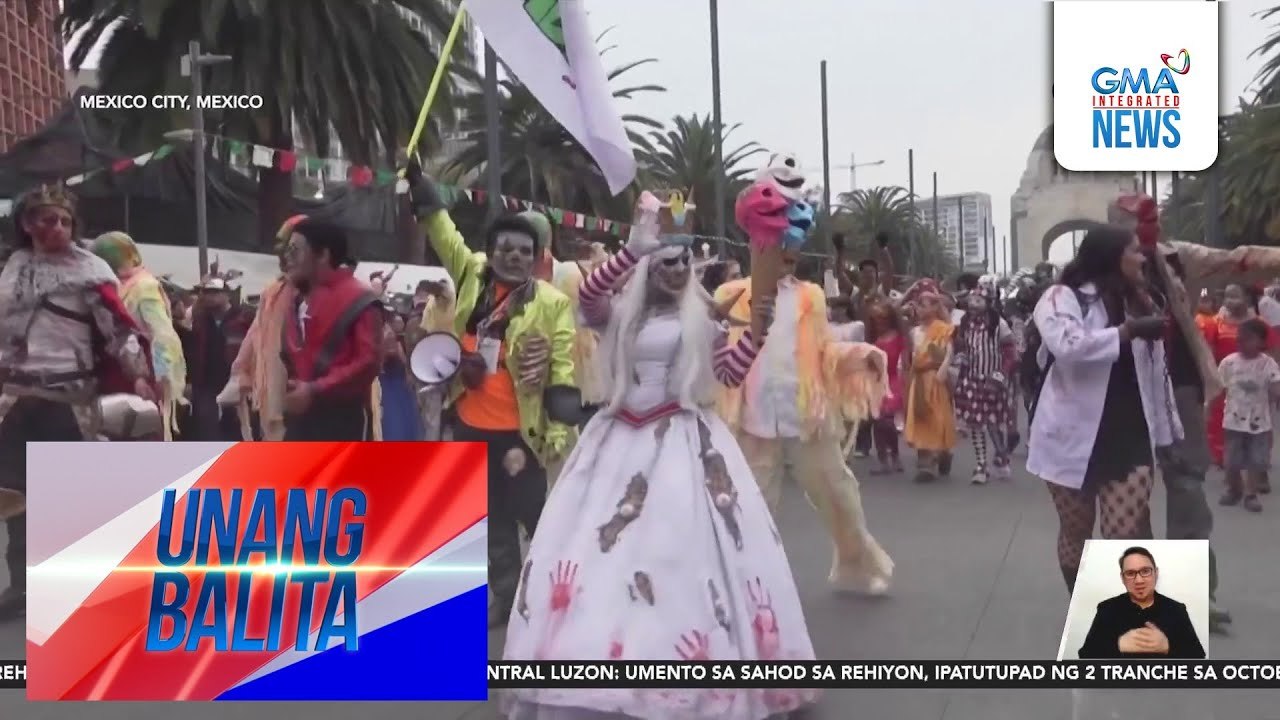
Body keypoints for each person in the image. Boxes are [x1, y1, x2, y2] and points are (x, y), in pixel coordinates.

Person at [500, 195, 819, 720]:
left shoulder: (704, 320)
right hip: (615, 440)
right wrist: (632, 250)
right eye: (666, 261)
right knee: (600, 559)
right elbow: (590, 297)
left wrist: (757, 335)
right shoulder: (618, 315)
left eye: (683, 262)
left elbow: (730, 374)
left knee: (678, 556)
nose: (675, 271)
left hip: (683, 443)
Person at [405, 163, 580, 628]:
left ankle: (550, 596)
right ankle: (503, 596)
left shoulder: (552, 303)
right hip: (470, 426)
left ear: (537, 256)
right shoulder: (472, 277)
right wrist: (425, 194)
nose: (516, 257)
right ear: (491, 251)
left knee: (538, 520)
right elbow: (446, 236)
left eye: (526, 251)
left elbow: (563, 366)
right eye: (507, 248)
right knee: (490, 521)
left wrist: (560, 429)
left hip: (521, 434)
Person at [0, 184, 156, 621]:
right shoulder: (14, 267)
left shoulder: (91, 272)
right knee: (15, 496)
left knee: (66, 498)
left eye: (65, 221)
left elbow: (120, 331)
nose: (57, 228)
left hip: (68, 400)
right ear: (28, 225)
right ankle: (23, 585)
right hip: (17, 399)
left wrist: (140, 377)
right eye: (47, 220)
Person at [713, 221, 894, 596]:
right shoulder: (731, 294)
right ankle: (749, 584)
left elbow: (824, 352)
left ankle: (858, 567)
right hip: (752, 421)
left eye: (791, 251)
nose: (786, 259)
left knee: (840, 496)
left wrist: (861, 355)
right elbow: (716, 352)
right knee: (750, 509)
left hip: (806, 419)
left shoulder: (810, 297)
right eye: (777, 248)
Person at [1027, 224, 1180, 593]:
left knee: (1124, 534)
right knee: (1077, 531)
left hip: (1130, 433)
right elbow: (1068, 345)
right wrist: (1126, 332)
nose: (1141, 258)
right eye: (1134, 251)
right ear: (1113, 257)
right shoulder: (1061, 297)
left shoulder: (1144, 299)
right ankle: (1084, 607)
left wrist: (1167, 430)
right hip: (1070, 435)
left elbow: (1158, 372)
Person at [279, 219, 383, 440]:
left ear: (323, 255)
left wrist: (315, 389)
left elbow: (368, 361)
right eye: (287, 250)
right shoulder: (295, 300)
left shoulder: (359, 298)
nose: (287, 257)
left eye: (295, 250)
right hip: (299, 420)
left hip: (340, 422)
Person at [90, 231, 187, 440]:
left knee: (141, 433)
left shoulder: (144, 286)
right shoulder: (118, 285)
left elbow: (162, 334)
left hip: (143, 375)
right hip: (116, 374)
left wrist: (161, 376)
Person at [221, 215, 304, 441]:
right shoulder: (273, 292)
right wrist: (239, 372)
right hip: (272, 396)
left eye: (292, 251)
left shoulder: (318, 292)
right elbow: (256, 332)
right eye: (283, 252)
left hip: (305, 396)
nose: (285, 257)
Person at [1077, 546, 1206, 659]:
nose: (1139, 580)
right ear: (1122, 578)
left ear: (1156, 573)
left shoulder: (1177, 610)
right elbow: (1085, 655)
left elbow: (1198, 656)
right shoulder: (1107, 609)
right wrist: (1118, 645)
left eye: (1145, 571)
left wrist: (1168, 647)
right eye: (1130, 573)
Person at [951, 279, 1017, 483]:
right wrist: (960, 357)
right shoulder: (964, 323)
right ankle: (981, 465)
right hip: (971, 380)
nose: (973, 303)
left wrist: (1001, 373)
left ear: (988, 302)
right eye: (972, 299)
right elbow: (961, 347)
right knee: (975, 423)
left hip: (993, 380)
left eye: (979, 299)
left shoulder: (999, 324)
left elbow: (1010, 352)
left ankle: (1002, 455)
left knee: (992, 422)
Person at [1215, 317, 1280, 512]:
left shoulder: (1268, 364)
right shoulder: (1229, 363)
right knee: (1231, 460)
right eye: (1239, 339)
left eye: (1248, 339)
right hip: (1233, 420)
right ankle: (1234, 488)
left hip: (1259, 422)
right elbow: (1218, 387)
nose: (1241, 342)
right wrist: (1208, 408)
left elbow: (1276, 386)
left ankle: (1251, 494)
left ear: (1261, 341)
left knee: (1256, 460)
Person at [902, 279, 957, 483]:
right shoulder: (913, 332)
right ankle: (926, 461)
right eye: (919, 304)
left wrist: (941, 371)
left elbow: (948, 354)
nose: (922, 308)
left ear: (936, 307)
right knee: (920, 417)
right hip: (918, 380)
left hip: (935, 379)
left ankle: (941, 454)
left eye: (927, 304)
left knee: (937, 417)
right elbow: (909, 357)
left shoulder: (944, 329)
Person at [1203, 283, 1260, 471]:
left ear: (1247, 299)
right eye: (1227, 296)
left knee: (1252, 421)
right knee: (1220, 418)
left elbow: (1270, 352)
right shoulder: (1215, 323)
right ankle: (1223, 459)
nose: (1230, 300)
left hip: (1251, 381)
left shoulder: (1258, 323)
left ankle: (1253, 463)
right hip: (1224, 380)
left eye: (1235, 296)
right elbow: (1209, 350)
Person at [188, 277, 253, 440]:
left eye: (215, 292)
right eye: (207, 292)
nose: (210, 297)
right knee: (207, 430)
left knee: (238, 430)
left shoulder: (244, 318)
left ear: (227, 294)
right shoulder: (199, 319)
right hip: (206, 384)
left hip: (236, 384)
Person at [864, 299, 906, 475]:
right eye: (876, 321)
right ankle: (883, 459)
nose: (879, 324)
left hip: (894, 380)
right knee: (877, 422)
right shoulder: (873, 340)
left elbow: (904, 361)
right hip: (876, 381)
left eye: (883, 320)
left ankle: (894, 454)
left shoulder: (899, 338)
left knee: (887, 421)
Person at [378, 310, 423, 441]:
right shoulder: (385, 336)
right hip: (388, 386)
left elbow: (408, 371)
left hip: (397, 385)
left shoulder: (393, 339)